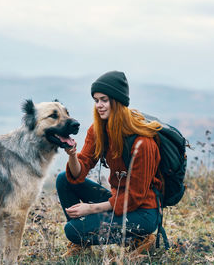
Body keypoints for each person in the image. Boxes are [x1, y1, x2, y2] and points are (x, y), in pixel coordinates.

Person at [56, 70, 163, 257]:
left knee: (72, 230)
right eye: (96, 100)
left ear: (117, 101)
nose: (99, 105)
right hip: (118, 203)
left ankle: (140, 237)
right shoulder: (99, 130)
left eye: (104, 100)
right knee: (64, 179)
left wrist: (91, 208)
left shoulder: (142, 143)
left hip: (143, 212)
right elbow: (79, 171)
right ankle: (81, 242)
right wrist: (72, 156)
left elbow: (134, 198)